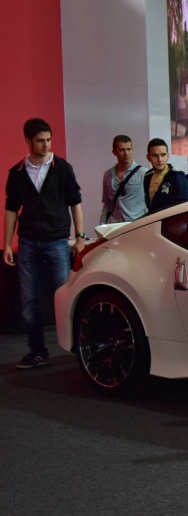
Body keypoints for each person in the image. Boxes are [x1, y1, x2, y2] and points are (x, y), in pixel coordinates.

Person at [4, 118, 85, 369]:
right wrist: (7, 244)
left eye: (49, 139)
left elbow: (75, 203)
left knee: (65, 295)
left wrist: (80, 236)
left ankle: (80, 350)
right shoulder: (17, 172)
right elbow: (11, 210)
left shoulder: (63, 168)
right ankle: (37, 351)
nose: (46, 144)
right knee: (29, 299)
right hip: (28, 241)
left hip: (57, 241)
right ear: (28, 141)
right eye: (40, 140)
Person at [99, 134, 146, 224]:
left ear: (132, 150)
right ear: (114, 152)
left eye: (129, 149)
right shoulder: (108, 175)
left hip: (136, 224)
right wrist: (101, 226)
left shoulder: (143, 173)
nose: (126, 153)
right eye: (122, 150)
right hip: (114, 224)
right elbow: (107, 204)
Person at [143, 138, 188, 214]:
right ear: (148, 157)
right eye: (155, 155)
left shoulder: (178, 177)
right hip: (154, 219)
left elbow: (186, 208)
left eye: (163, 155)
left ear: (168, 156)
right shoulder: (147, 176)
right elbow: (150, 205)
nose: (160, 159)